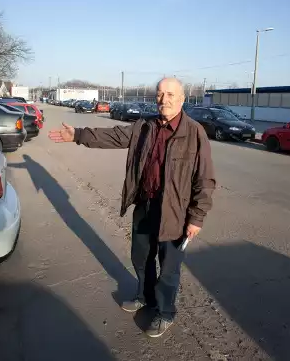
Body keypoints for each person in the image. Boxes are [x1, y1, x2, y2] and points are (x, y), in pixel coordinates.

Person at [48, 77, 216, 338]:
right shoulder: (145, 126)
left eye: (171, 94)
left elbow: (205, 179)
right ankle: (145, 297)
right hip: (145, 205)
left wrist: (196, 217)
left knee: (169, 269)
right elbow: (114, 135)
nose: (164, 99)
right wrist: (78, 135)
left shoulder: (195, 133)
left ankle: (165, 312)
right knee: (141, 257)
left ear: (182, 99)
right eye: (160, 94)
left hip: (174, 213)